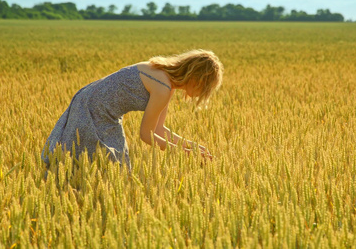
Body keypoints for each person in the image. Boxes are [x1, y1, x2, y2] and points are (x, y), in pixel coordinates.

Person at [41, 49, 223, 170]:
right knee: (109, 167)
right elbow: (146, 134)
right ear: (196, 78)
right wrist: (184, 153)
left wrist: (191, 146)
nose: (202, 93)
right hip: (94, 111)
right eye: (204, 87)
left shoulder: (162, 76)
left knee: (102, 166)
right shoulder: (162, 87)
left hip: (88, 99)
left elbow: (158, 130)